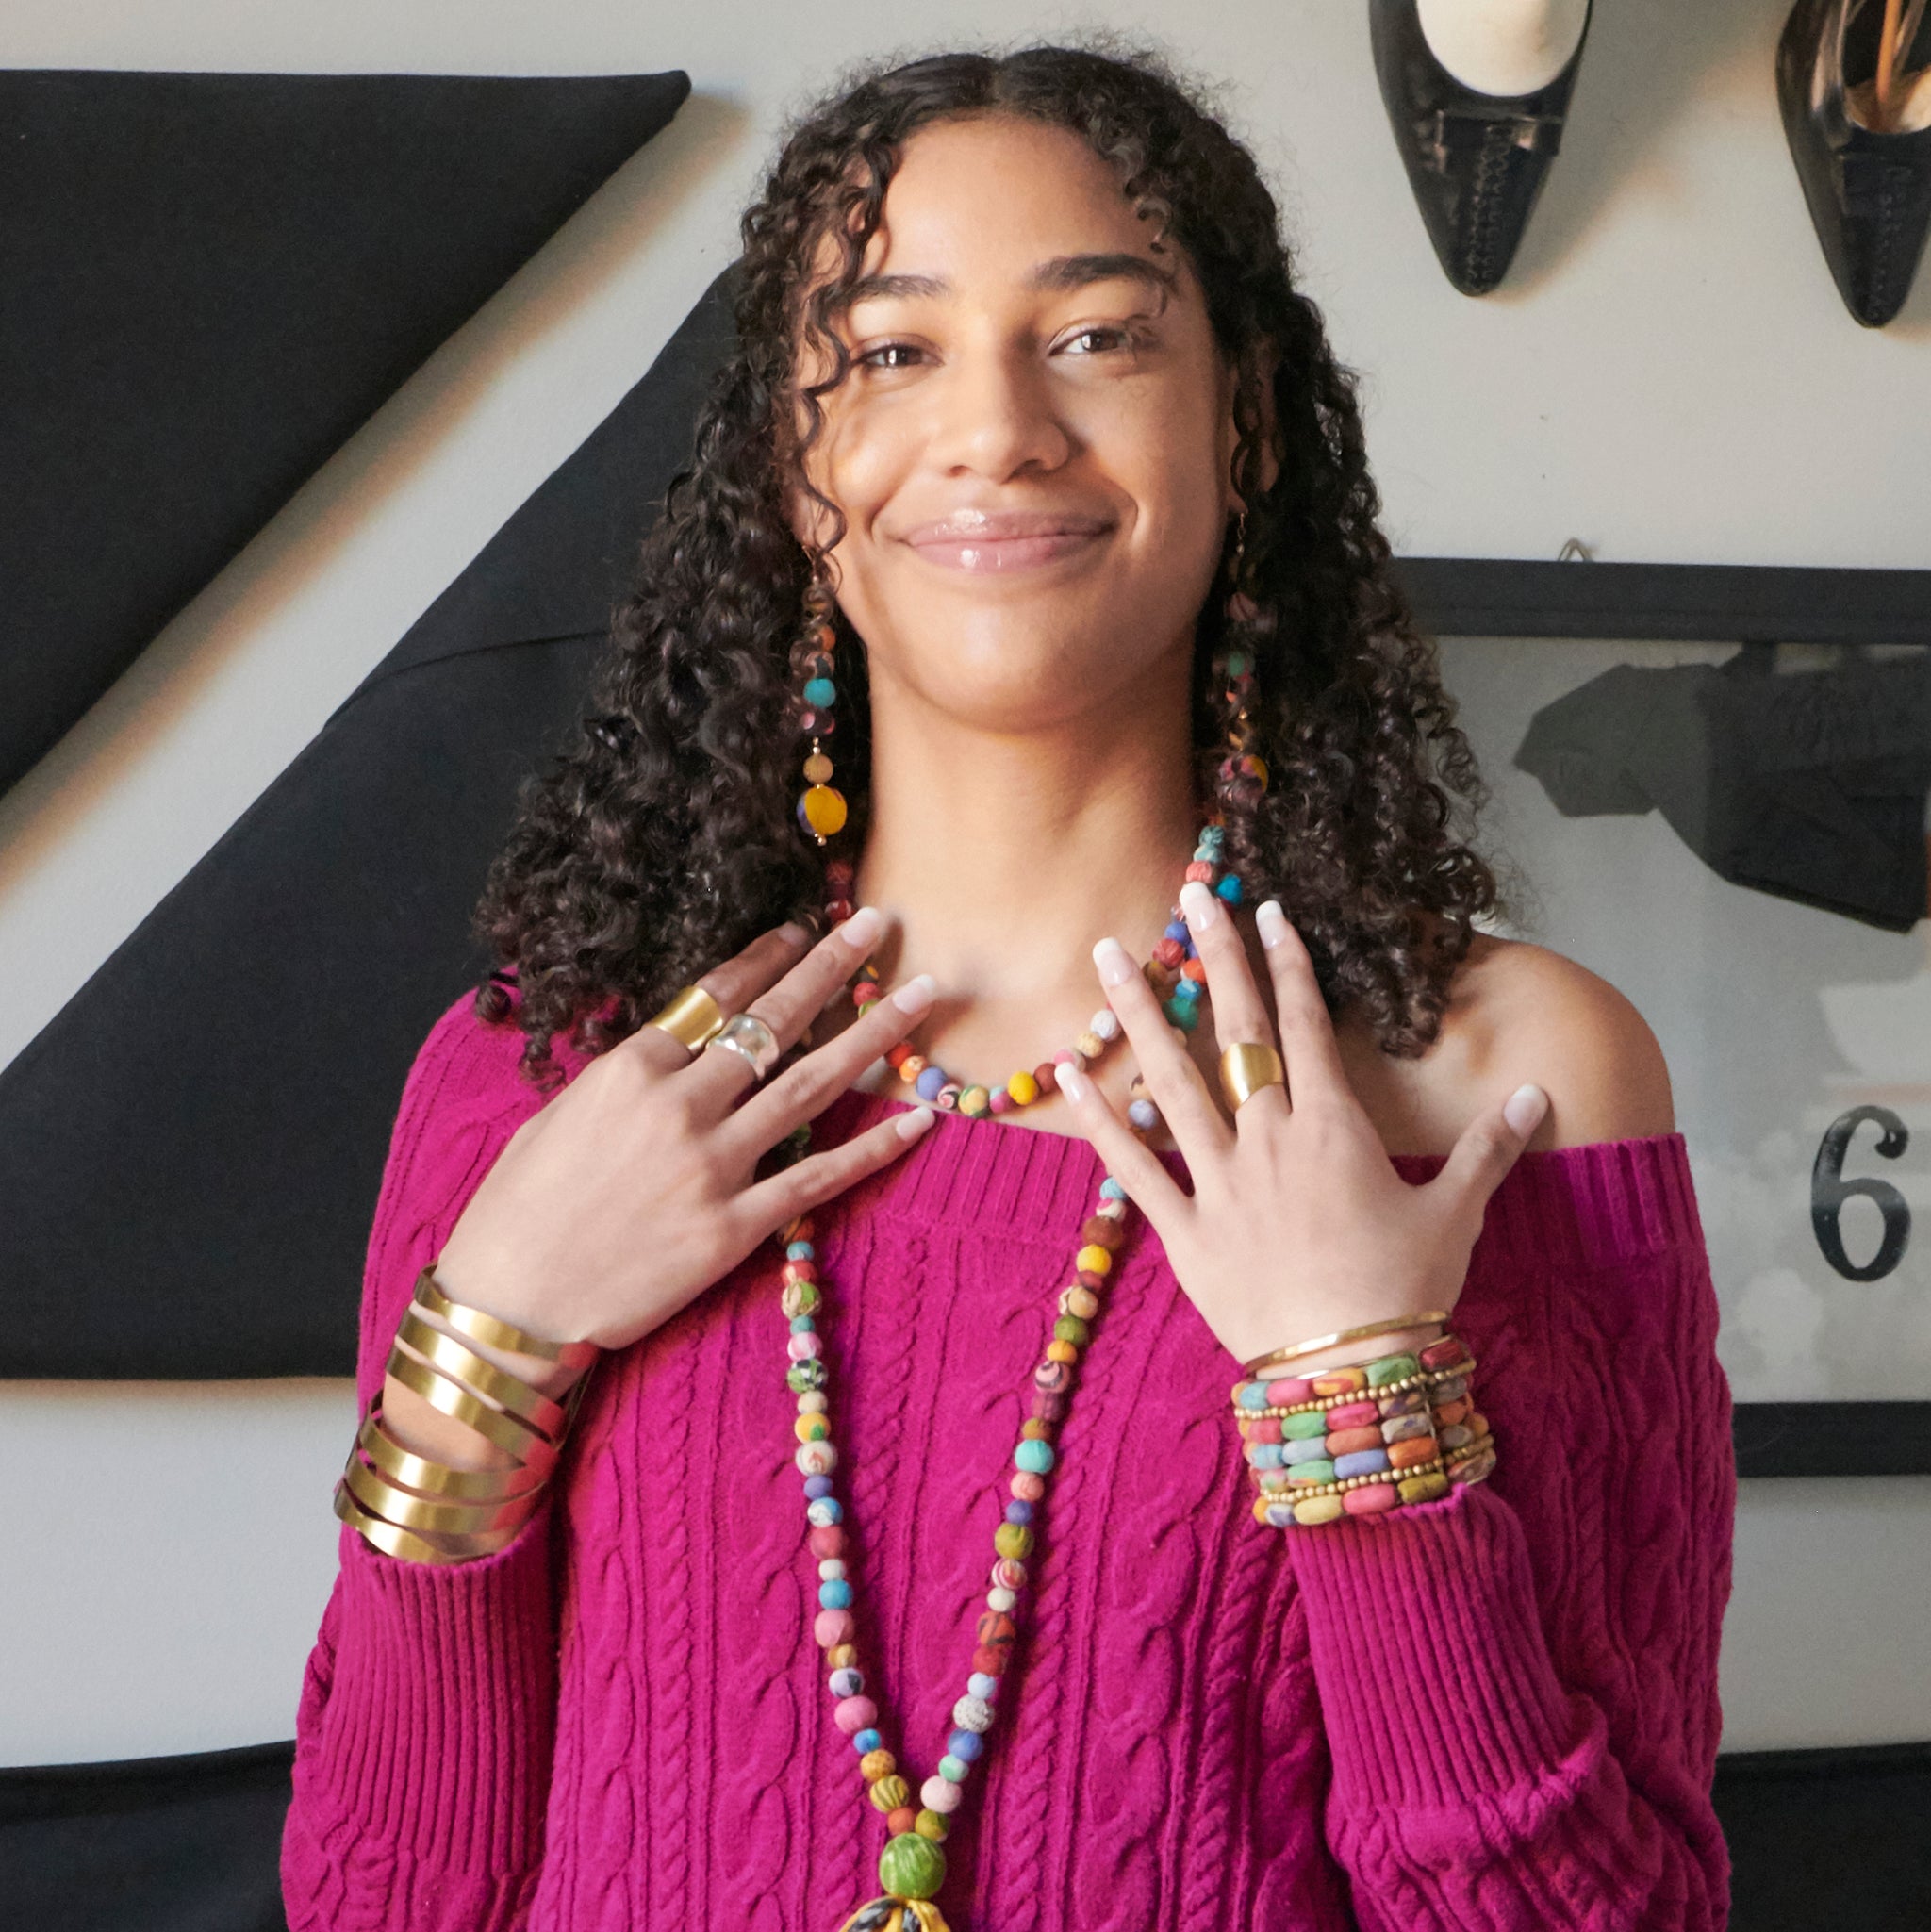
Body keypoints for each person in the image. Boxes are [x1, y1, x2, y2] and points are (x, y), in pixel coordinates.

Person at [282, 40, 1734, 1932]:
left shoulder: (1491, 1083)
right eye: (889, 352)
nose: (996, 431)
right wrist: (484, 1348)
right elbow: (380, 1902)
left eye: (1099, 337)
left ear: (1253, 423)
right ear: (798, 472)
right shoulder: (541, 1085)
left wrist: (1355, 1392)